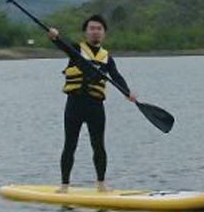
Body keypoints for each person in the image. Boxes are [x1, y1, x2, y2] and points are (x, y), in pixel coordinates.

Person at [46, 14, 136, 193]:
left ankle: (101, 184)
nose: (95, 32)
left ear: (104, 33)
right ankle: (64, 186)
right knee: (70, 144)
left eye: (99, 29)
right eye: (92, 29)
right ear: (85, 33)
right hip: (75, 104)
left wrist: (127, 92)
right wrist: (55, 37)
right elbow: (62, 44)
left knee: (99, 145)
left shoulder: (107, 58)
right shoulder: (76, 49)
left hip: (95, 106)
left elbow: (116, 76)